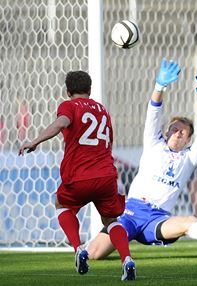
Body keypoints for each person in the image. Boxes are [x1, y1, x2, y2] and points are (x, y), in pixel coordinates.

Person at [86, 59, 197, 260]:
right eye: (174, 128)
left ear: (188, 140)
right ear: (166, 131)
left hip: (158, 218)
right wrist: (159, 86)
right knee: (94, 254)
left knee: (187, 222)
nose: (178, 133)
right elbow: (153, 111)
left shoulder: (189, 158)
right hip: (131, 212)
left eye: (183, 132)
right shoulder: (154, 143)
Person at [18, 71, 136, 280]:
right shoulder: (102, 110)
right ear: (89, 90)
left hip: (80, 175)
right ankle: (127, 259)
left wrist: (35, 141)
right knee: (111, 220)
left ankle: (78, 248)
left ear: (67, 90)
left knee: (61, 204)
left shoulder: (69, 106)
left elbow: (61, 123)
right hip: (107, 175)